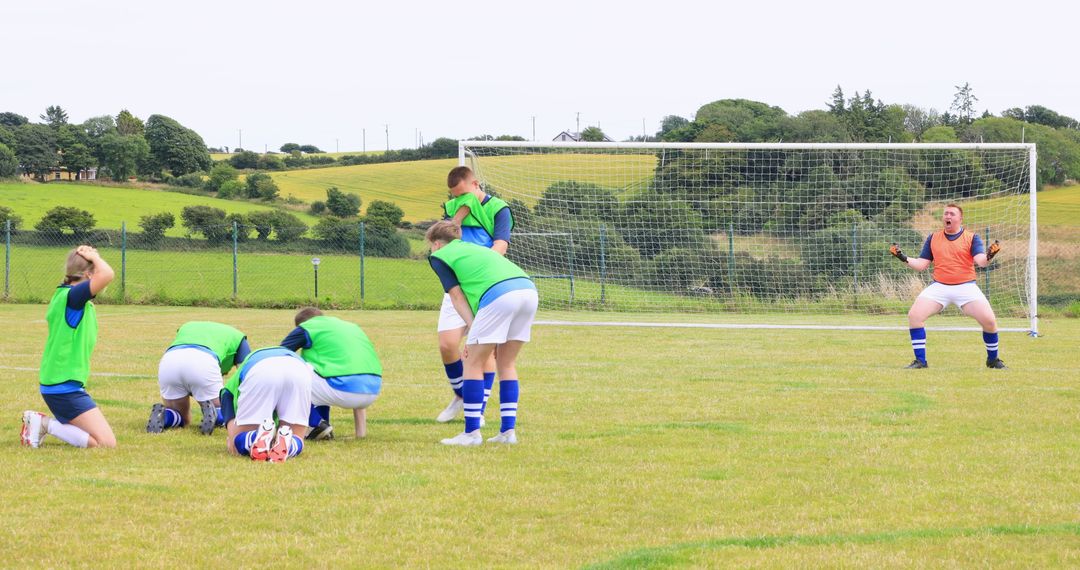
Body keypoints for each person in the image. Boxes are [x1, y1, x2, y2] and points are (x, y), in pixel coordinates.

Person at [426, 220, 537, 446]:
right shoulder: (474, 248)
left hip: (499, 295)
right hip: (528, 289)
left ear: (436, 244)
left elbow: (456, 297)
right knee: (506, 363)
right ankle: (508, 432)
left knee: (472, 362)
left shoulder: (440, 256)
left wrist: (473, 328)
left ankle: (471, 433)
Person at [435, 165, 514, 425]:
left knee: (483, 350)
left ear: (476, 184)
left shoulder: (499, 208)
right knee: (448, 345)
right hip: (458, 286)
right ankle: (461, 394)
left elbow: (500, 245)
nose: (458, 200)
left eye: (462, 194)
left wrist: (480, 270)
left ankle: (477, 410)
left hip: (484, 287)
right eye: (453, 196)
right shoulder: (451, 209)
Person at [21, 245, 117, 450]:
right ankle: (43, 424)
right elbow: (108, 274)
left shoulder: (67, 297)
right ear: (88, 274)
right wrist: (95, 257)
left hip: (61, 384)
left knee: (101, 439)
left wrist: (93, 259)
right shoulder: (74, 297)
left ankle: (45, 424)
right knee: (105, 443)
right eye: (95, 271)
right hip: (63, 387)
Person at [890, 203, 1005, 369]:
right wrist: (902, 257)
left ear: (960, 218)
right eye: (945, 214)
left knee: (990, 322)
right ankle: (921, 362)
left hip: (966, 287)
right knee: (914, 316)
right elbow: (922, 264)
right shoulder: (933, 238)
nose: (947, 217)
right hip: (940, 287)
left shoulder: (972, 238)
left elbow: (981, 261)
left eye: (951, 214)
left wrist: (989, 255)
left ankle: (993, 360)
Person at [280, 307, 382, 440]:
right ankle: (358, 433)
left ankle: (316, 424)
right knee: (322, 371)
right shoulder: (351, 327)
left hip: (341, 388)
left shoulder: (307, 327)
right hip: (372, 389)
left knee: (286, 375)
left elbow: (279, 354)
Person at [147, 321, 251, 435]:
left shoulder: (187, 326)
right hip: (203, 362)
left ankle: (165, 416)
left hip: (169, 361)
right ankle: (217, 415)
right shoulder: (240, 339)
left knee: (181, 416)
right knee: (226, 410)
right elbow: (247, 376)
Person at [221, 347, 312, 462]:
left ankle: (256, 436)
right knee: (296, 435)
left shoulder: (232, 385)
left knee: (238, 442)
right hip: (299, 369)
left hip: (260, 370)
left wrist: (233, 438)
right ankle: (288, 442)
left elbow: (226, 394)